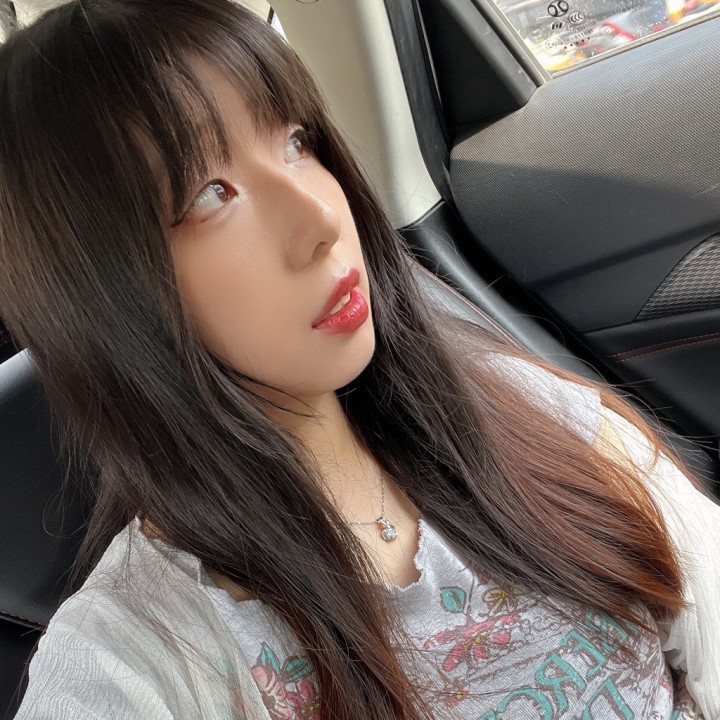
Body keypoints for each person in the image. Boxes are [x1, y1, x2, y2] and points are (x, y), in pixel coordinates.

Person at [0, 1, 718, 718]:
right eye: (210, 194)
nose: (320, 219)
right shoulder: (147, 652)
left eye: (296, 142)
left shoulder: (519, 405)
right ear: (96, 295)